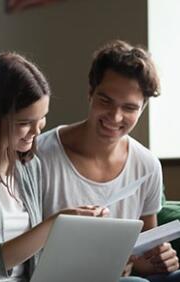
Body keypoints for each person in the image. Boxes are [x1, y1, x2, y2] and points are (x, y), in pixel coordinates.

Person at [0, 52, 143, 282]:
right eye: (24, 123)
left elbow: (34, 256)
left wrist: (81, 235)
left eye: (42, 118)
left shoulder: (28, 165)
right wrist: (56, 224)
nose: (37, 131)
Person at [37, 40, 180, 281]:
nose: (115, 116)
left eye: (129, 108)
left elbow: (145, 245)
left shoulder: (147, 165)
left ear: (142, 108)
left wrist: (156, 259)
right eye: (106, 101)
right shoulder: (39, 154)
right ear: (90, 93)